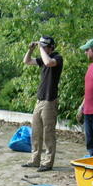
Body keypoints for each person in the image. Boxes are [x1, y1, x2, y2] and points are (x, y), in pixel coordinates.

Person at [21, 35, 63, 172]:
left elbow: (48, 62)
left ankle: (48, 163)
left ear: (51, 47)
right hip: (39, 100)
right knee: (36, 131)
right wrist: (31, 50)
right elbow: (26, 61)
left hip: (50, 101)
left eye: (45, 46)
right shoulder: (44, 57)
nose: (43, 48)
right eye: (42, 46)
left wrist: (41, 49)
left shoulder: (57, 58)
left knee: (48, 133)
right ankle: (35, 160)